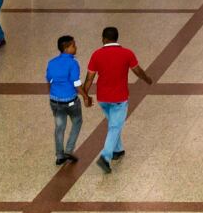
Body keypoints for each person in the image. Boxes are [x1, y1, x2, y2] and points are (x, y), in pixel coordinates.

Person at [80, 26, 153, 174]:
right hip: (119, 98)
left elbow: (89, 78)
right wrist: (147, 79)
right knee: (114, 127)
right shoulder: (127, 53)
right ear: (116, 38)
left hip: (102, 98)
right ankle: (105, 157)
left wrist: (85, 96)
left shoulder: (96, 54)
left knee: (114, 124)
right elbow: (137, 71)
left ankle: (118, 150)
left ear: (103, 39)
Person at [46, 34, 85, 167]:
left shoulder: (51, 63)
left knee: (59, 127)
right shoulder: (73, 63)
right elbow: (76, 83)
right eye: (73, 45)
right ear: (66, 48)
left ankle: (59, 156)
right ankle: (69, 149)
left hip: (55, 101)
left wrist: (54, 93)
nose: (76, 47)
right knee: (77, 121)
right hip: (71, 101)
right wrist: (86, 96)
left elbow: (49, 80)